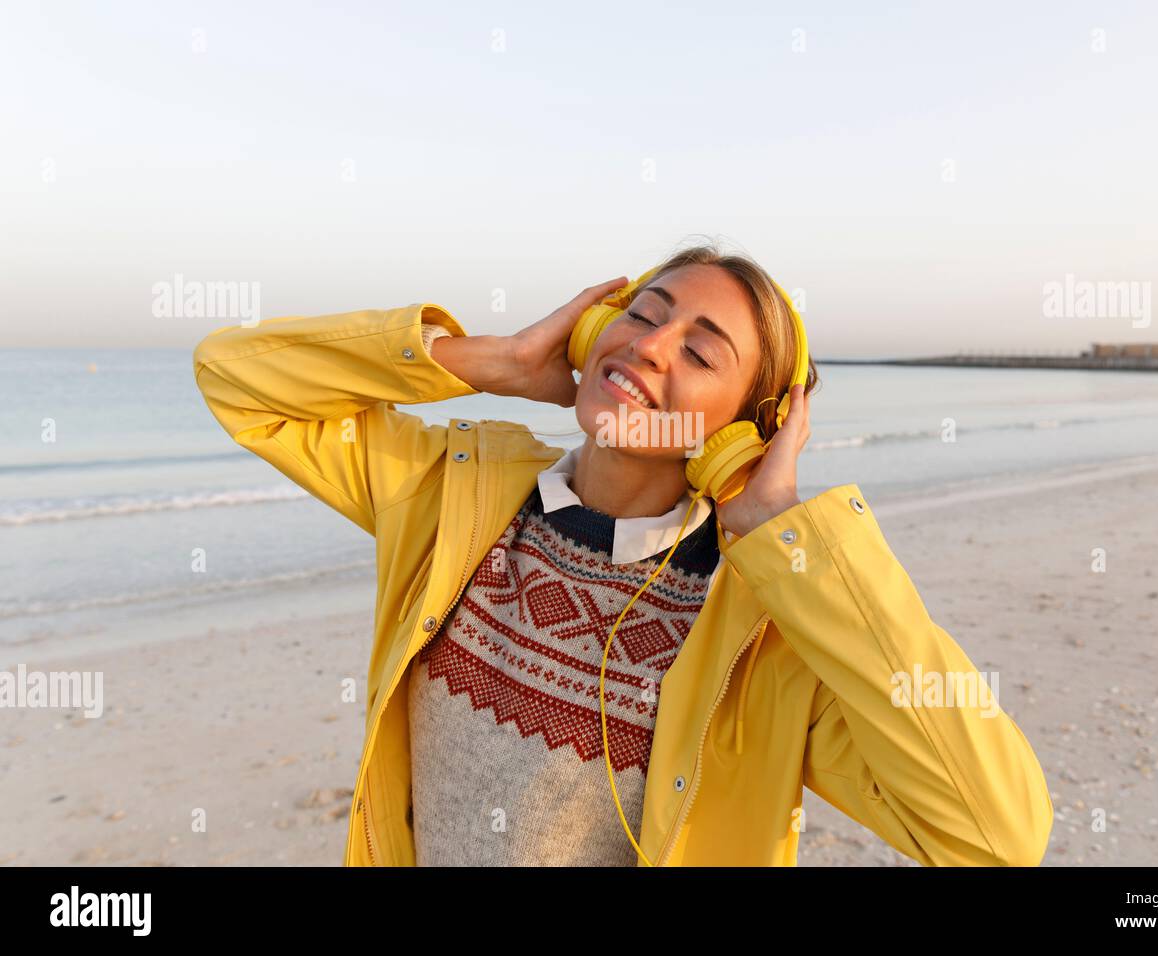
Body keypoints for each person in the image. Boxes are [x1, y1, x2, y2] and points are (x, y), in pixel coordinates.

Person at [192, 241, 1053, 867]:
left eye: (701, 350)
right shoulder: (451, 495)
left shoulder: (763, 634)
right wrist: (484, 360)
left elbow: (994, 833)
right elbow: (236, 380)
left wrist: (792, 538)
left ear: (751, 426)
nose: (648, 345)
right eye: (639, 314)